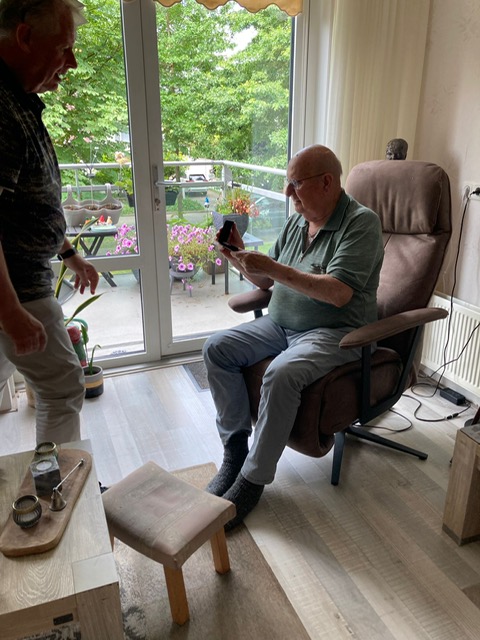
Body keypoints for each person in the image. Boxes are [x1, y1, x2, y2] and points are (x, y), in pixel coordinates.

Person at [203, 144, 384, 529]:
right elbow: (266, 281)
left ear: (327, 182)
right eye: (288, 183)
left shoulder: (361, 224)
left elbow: (338, 293)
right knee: (217, 349)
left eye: (296, 183)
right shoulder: (296, 223)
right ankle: (235, 453)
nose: (288, 193)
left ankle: (251, 481)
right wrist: (239, 258)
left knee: (281, 373)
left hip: (336, 332)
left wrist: (273, 267)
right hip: (280, 325)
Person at [0, 0, 99, 445]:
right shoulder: (1, 108)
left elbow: (27, 204)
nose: (72, 62)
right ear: (24, 37)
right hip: (17, 285)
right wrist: (10, 312)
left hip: (23, 279)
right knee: (61, 388)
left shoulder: (19, 99)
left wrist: (70, 254)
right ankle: (63, 481)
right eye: (63, 48)